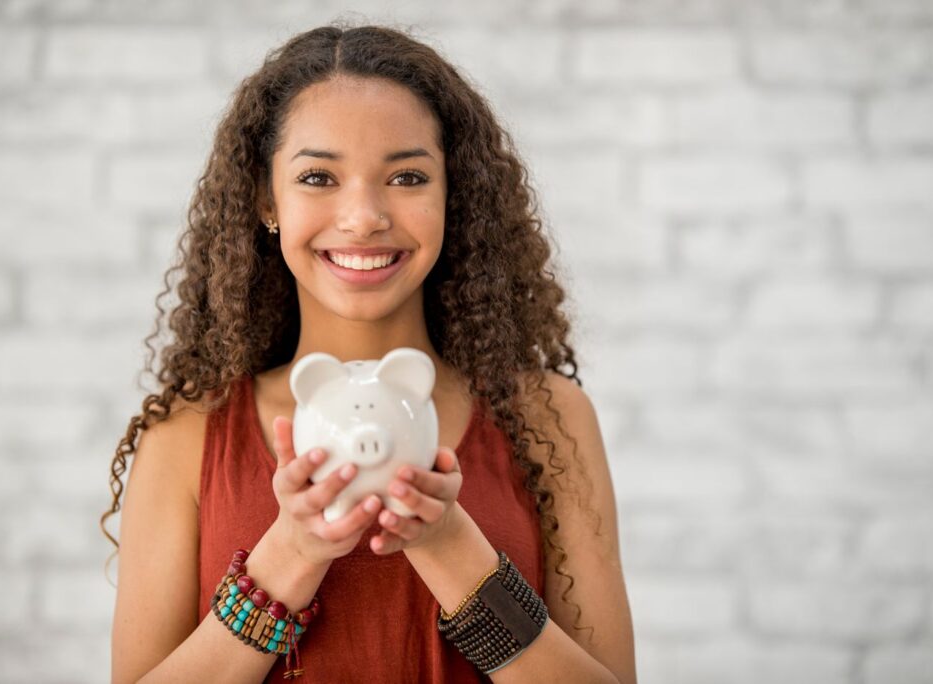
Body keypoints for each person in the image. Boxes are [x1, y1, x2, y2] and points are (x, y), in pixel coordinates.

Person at [102, 20, 635, 684]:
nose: (364, 217)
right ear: (268, 200)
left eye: (408, 177)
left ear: (451, 196)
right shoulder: (186, 436)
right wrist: (292, 554)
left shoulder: (549, 418)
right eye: (319, 178)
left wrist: (448, 547)